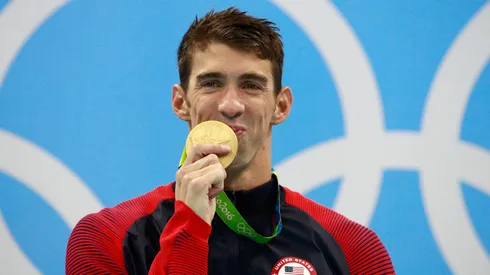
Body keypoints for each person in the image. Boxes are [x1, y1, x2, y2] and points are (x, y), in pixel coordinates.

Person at [66, 7, 395, 275]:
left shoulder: (353, 248)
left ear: (281, 106)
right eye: (211, 83)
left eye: (251, 85)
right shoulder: (106, 238)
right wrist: (189, 230)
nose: (231, 105)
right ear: (181, 102)